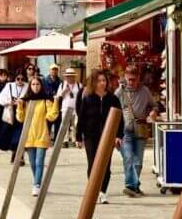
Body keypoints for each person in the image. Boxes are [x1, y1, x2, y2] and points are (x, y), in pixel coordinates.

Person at [76, 69, 120, 204]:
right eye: (99, 81)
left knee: (106, 165)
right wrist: (78, 137)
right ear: (94, 83)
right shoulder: (88, 98)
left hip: (108, 136)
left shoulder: (113, 99)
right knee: (92, 164)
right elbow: (81, 118)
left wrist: (118, 135)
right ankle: (93, 191)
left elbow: (120, 119)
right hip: (90, 136)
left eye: (104, 81)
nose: (102, 83)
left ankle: (102, 192)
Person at [114, 64, 156, 197]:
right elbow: (113, 111)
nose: (131, 82)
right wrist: (115, 135)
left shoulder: (145, 91)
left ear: (138, 78)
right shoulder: (120, 92)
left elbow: (153, 105)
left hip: (140, 130)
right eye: (129, 79)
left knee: (138, 162)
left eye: (134, 79)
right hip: (124, 131)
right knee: (128, 158)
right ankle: (130, 186)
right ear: (125, 77)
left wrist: (153, 112)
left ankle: (135, 185)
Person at [17, 75, 52, 196]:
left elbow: (52, 116)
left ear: (41, 86)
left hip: (42, 134)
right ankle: (37, 181)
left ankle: (36, 184)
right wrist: (20, 106)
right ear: (30, 86)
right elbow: (20, 119)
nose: (35, 87)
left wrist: (56, 102)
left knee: (39, 161)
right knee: (32, 163)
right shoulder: (25, 101)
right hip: (29, 135)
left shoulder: (46, 100)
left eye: (38, 84)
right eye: (33, 84)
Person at [54, 66, 81, 147]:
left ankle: (74, 140)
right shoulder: (62, 85)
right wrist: (64, 91)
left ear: (74, 76)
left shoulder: (79, 85)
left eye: (71, 76)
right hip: (65, 108)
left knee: (75, 125)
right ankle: (65, 141)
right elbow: (58, 96)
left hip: (76, 108)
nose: (70, 77)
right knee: (64, 125)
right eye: (68, 76)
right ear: (66, 77)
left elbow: (82, 96)